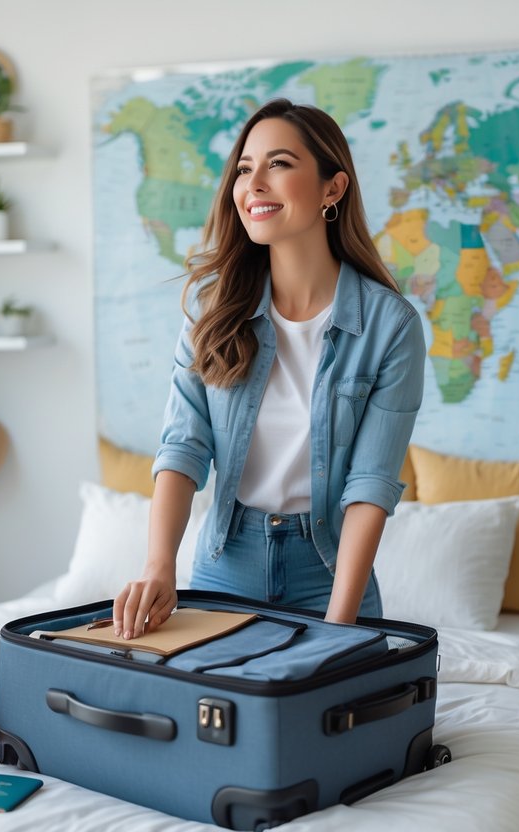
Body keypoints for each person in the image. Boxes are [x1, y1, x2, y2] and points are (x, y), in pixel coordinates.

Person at [113, 98, 426, 639]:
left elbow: (370, 486)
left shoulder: (390, 326)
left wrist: (338, 627)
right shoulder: (212, 312)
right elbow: (183, 447)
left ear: (333, 188)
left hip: (330, 575)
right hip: (224, 567)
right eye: (244, 168)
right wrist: (159, 564)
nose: (253, 183)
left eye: (278, 164)